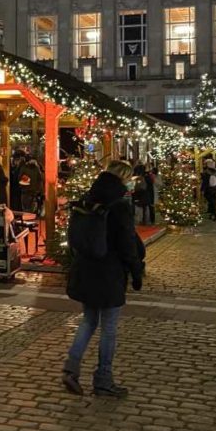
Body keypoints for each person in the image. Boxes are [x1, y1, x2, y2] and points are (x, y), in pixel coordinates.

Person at [61, 160, 145, 398]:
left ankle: (71, 367)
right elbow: (127, 243)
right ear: (123, 178)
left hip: (87, 268)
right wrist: (136, 271)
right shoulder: (119, 204)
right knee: (109, 327)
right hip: (109, 273)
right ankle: (103, 379)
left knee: (88, 320)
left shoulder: (89, 197)